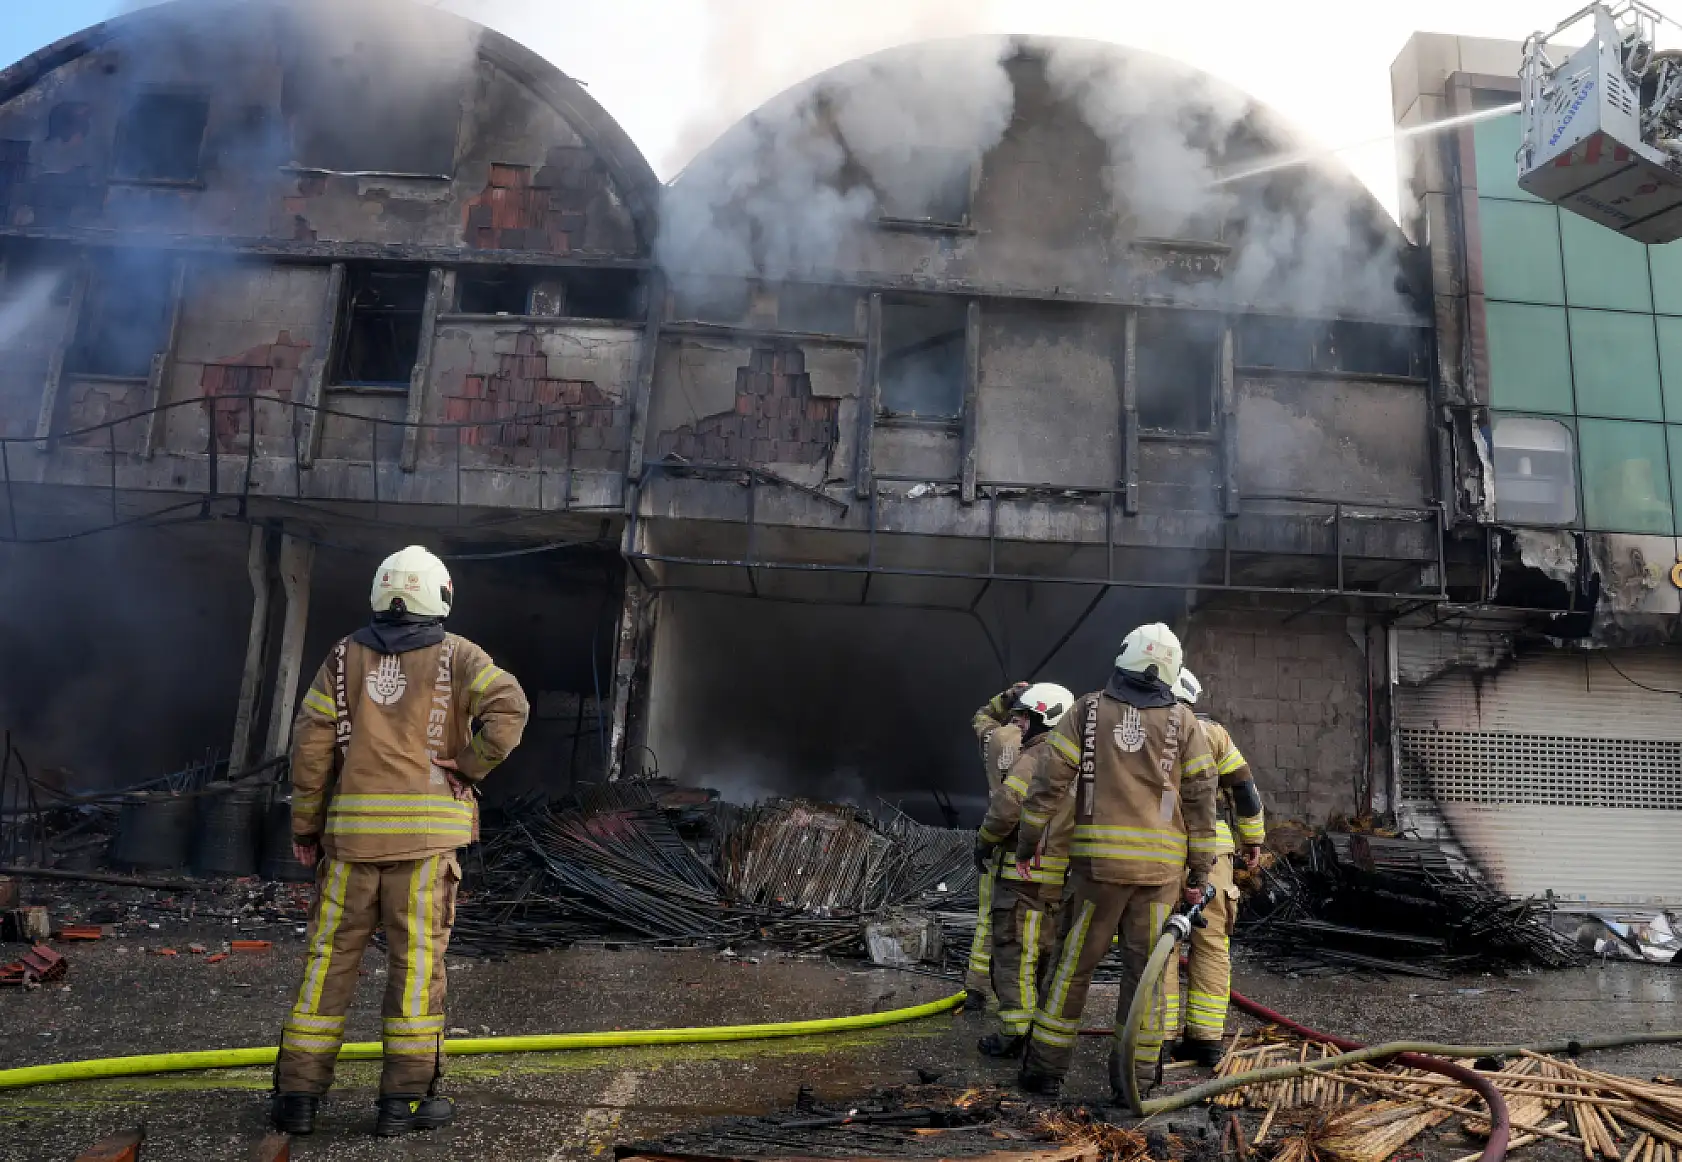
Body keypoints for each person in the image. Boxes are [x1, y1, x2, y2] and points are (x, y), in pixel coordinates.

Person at [270, 546, 529, 1138]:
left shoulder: (341, 657)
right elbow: (509, 708)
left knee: (325, 967)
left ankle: (298, 1100)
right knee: (415, 971)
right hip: (424, 848)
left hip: (348, 849)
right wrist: (468, 766)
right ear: (439, 595)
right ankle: (403, 1104)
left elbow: (309, 749)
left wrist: (307, 829)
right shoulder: (460, 655)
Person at [1010, 623, 1219, 1101]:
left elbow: (1047, 785)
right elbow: (1203, 798)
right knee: (1146, 976)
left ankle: (1043, 1071)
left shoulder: (1085, 711)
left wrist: (1028, 845)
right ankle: (1135, 1083)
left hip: (1095, 873)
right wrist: (1200, 872)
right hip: (1158, 877)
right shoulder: (1184, 723)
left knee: (1071, 967)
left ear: (1124, 656)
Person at [1164, 668, 1266, 1068]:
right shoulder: (1214, 734)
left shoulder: (1145, 730)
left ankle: (1160, 1039)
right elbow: (1244, 789)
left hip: (1162, 849)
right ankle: (1206, 1040)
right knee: (1212, 944)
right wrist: (1253, 840)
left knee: (1162, 942)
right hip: (1216, 855)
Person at [972, 682, 1076, 1057]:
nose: (1022, 727)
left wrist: (983, 841)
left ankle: (1015, 1032)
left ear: (1042, 719)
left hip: (1022, 875)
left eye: (1027, 719)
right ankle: (1037, 1028)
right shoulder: (1078, 758)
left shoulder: (1036, 757)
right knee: (1045, 955)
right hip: (1059, 879)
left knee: (1014, 953)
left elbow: (1007, 808)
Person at [963, 681, 1030, 1010]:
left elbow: (981, 716)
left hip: (994, 840)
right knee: (1026, 924)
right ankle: (1020, 996)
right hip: (1029, 847)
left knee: (988, 917)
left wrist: (1006, 696)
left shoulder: (995, 738)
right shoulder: (1045, 749)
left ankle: (977, 989)